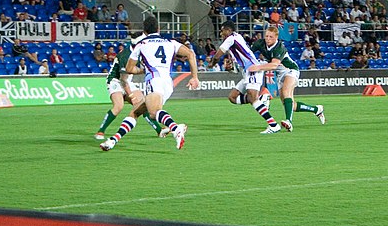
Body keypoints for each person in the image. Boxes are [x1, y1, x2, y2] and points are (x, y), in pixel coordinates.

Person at [100, 16, 199, 151]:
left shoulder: (141, 44)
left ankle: (176, 128)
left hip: (153, 80)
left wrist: (142, 70)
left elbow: (129, 69)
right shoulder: (171, 42)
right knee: (135, 113)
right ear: (158, 29)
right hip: (167, 83)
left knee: (153, 112)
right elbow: (191, 54)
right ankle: (113, 140)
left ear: (144, 31)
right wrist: (194, 77)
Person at [207, 21, 281, 134]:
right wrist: (231, 68)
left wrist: (212, 64)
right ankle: (262, 98)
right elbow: (239, 59)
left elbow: (217, 55)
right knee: (232, 98)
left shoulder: (231, 38)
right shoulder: (236, 38)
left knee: (252, 98)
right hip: (247, 71)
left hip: (252, 69)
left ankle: (273, 125)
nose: (221, 33)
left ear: (228, 30)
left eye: (222, 30)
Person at [249, 26, 325, 132]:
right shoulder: (260, 43)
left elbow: (274, 65)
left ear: (276, 37)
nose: (268, 38)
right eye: (266, 36)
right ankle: (317, 109)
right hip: (280, 75)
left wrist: (257, 67)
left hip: (290, 70)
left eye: (271, 36)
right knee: (291, 105)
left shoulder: (279, 47)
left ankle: (289, 121)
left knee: (286, 92)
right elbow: (248, 54)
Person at [94, 33, 165, 141]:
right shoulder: (125, 55)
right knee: (119, 106)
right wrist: (131, 95)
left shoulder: (139, 51)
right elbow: (123, 79)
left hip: (128, 81)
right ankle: (101, 131)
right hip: (115, 81)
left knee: (142, 105)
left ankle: (159, 130)